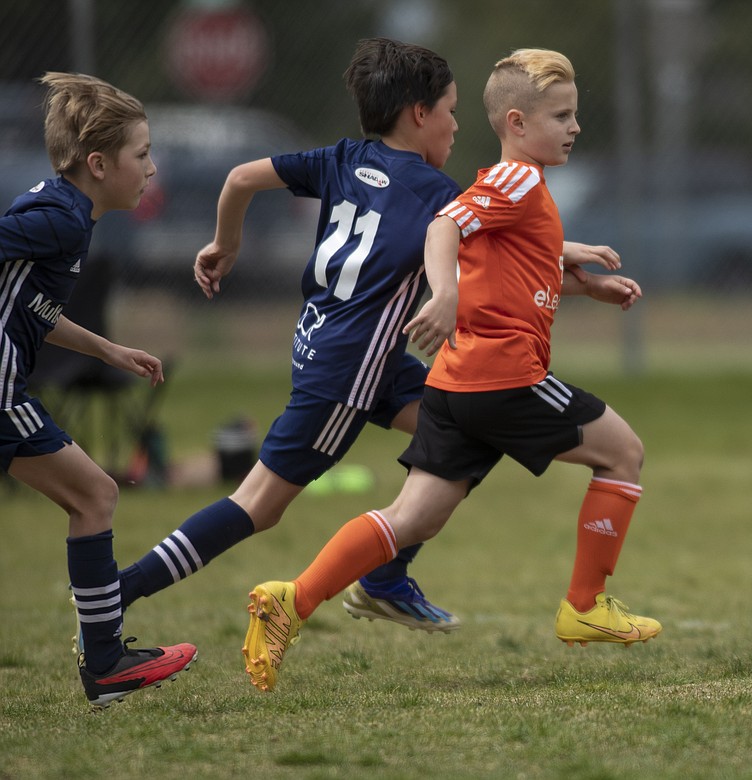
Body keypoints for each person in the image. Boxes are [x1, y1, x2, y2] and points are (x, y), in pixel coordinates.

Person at [115, 39, 620, 634]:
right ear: (419, 114)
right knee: (257, 505)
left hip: (338, 347)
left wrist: (226, 243)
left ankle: (384, 580)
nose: (458, 126)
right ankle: (119, 591)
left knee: (468, 437)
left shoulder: (342, 158)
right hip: (349, 372)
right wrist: (569, 267)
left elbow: (239, 178)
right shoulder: (434, 194)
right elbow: (482, 251)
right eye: (452, 111)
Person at [241, 48, 660, 693]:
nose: (576, 127)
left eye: (576, 114)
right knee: (623, 452)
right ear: (516, 123)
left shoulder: (516, 188)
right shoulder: (517, 179)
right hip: (505, 378)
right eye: (563, 115)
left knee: (412, 519)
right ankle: (585, 607)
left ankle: (288, 601)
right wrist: (441, 296)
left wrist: (585, 287)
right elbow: (443, 226)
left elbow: (508, 271)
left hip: (456, 385)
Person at [1, 72, 197, 708]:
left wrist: (107, 349)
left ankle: (106, 660)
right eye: (141, 155)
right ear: (97, 162)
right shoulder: (58, 217)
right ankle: (106, 661)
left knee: (94, 494)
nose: (150, 168)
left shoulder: (66, 213)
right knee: (95, 493)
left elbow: (30, 305)